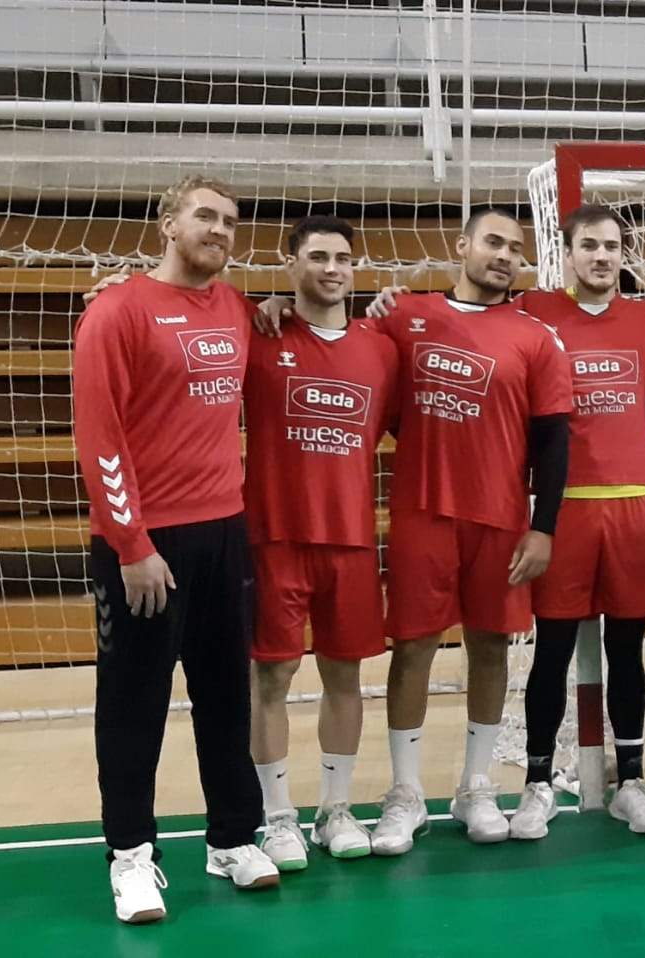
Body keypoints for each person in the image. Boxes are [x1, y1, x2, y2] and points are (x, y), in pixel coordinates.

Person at [75, 174, 277, 922]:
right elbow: (100, 438)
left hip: (225, 534)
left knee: (226, 696)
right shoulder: (116, 311)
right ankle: (131, 856)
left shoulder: (237, 308)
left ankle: (232, 839)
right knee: (133, 706)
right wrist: (131, 543)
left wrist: (287, 305)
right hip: (144, 546)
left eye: (230, 221)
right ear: (168, 224)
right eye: (205, 216)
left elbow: (289, 321)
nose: (219, 230)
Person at [370, 208, 573, 851]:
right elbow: (365, 380)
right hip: (423, 511)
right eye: (493, 242)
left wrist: (543, 527)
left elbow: (553, 441)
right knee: (414, 648)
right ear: (462, 246)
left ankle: (476, 786)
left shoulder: (536, 338)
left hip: (501, 518)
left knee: (490, 648)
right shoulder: (404, 316)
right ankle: (405, 793)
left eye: (516, 248)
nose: (505, 255)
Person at [242, 217, 398, 869]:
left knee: (345, 674)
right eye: (317, 257)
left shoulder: (381, 349)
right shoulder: (260, 335)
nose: (331, 268)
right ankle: (277, 817)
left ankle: (336, 809)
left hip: (351, 539)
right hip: (275, 535)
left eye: (341, 258)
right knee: (272, 675)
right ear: (292, 265)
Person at [512, 205, 645, 837]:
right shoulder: (535, 311)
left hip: (633, 502)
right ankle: (537, 783)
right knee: (551, 651)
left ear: (622, 254)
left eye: (611, 246)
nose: (601, 256)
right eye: (589, 246)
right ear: (568, 252)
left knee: (627, 650)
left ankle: (630, 779)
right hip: (565, 507)